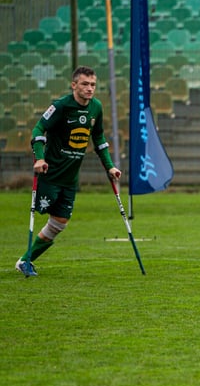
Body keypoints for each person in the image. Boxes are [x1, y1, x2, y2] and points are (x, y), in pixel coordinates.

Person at [15, 66, 121, 277]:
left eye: (93, 84)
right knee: (45, 213)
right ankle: (25, 260)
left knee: (59, 223)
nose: (90, 88)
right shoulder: (60, 106)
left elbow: (98, 138)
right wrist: (40, 158)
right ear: (74, 85)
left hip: (70, 177)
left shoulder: (96, 107)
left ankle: (25, 261)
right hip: (50, 174)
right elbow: (38, 129)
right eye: (85, 84)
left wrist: (110, 166)